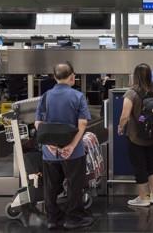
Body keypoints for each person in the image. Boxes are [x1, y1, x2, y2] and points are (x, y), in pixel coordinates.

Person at [34, 62, 94, 230]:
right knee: (74, 185)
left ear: (54, 77)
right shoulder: (77, 96)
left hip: (49, 153)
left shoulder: (45, 96)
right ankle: (73, 218)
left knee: (51, 186)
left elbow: (38, 123)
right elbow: (82, 124)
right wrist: (72, 146)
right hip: (73, 153)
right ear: (72, 76)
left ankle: (53, 219)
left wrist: (51, 145)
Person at [117, 63, 153, 207]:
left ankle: (144, 197)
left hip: (136, 136)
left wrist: (120, 127)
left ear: (135, 76)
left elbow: (125, 115)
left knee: (139, 166)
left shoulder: (131, 93)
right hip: (152, 135)